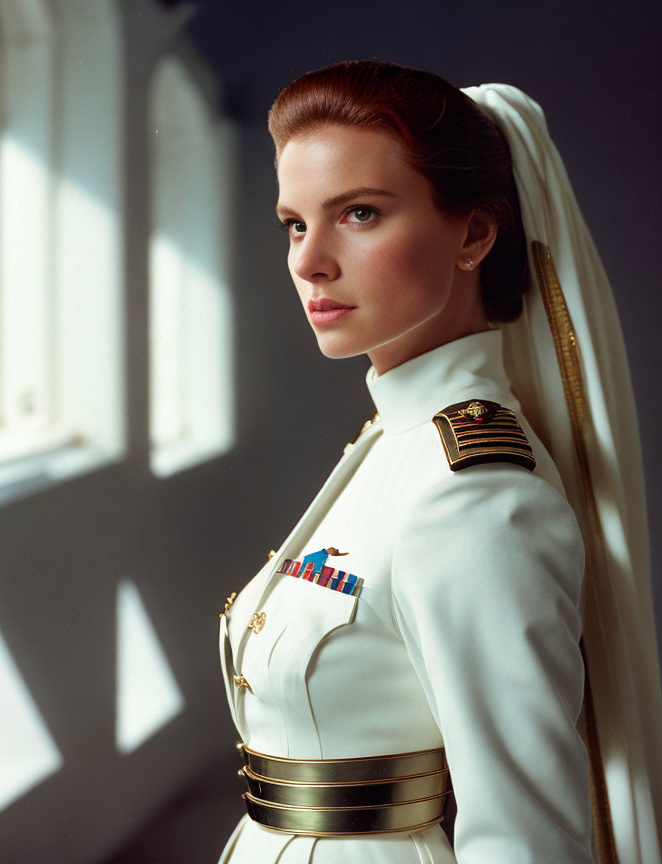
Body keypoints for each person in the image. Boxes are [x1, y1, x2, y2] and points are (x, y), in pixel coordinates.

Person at [216, 61, 662, 864]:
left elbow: (525, 838)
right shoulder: (393, 444)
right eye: (294, 223)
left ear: (474, 235)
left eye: (358, 213)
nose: (309, 261)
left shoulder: (474, 492)